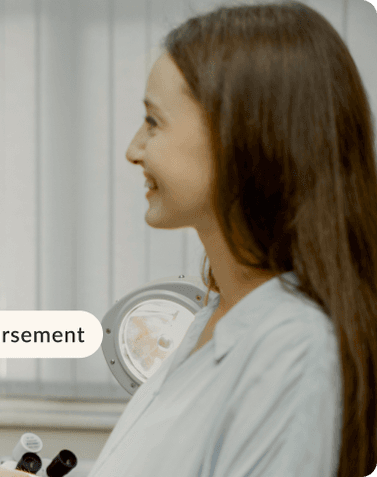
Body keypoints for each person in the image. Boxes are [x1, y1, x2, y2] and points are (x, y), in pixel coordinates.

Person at [87, 2, 377, 476]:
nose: (133, 150)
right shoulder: (213, 319)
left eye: (153, 122)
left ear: (239, 137)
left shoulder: (291, 349)